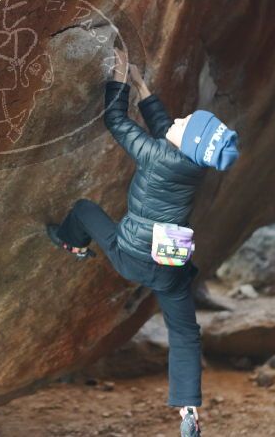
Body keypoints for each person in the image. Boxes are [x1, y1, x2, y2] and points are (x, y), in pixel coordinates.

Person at [46, 48, 240, 424]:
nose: (179, 119)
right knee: (184, 331)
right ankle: (188, 407)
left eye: (185, 124)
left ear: (188, 146)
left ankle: (70, 241)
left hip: (131, 255)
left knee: (85, 209)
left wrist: (118, 78)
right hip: (169, 265)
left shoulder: (158, 157)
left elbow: (117, 122)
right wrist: (142, 86)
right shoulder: (191, 165)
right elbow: (165, 128)